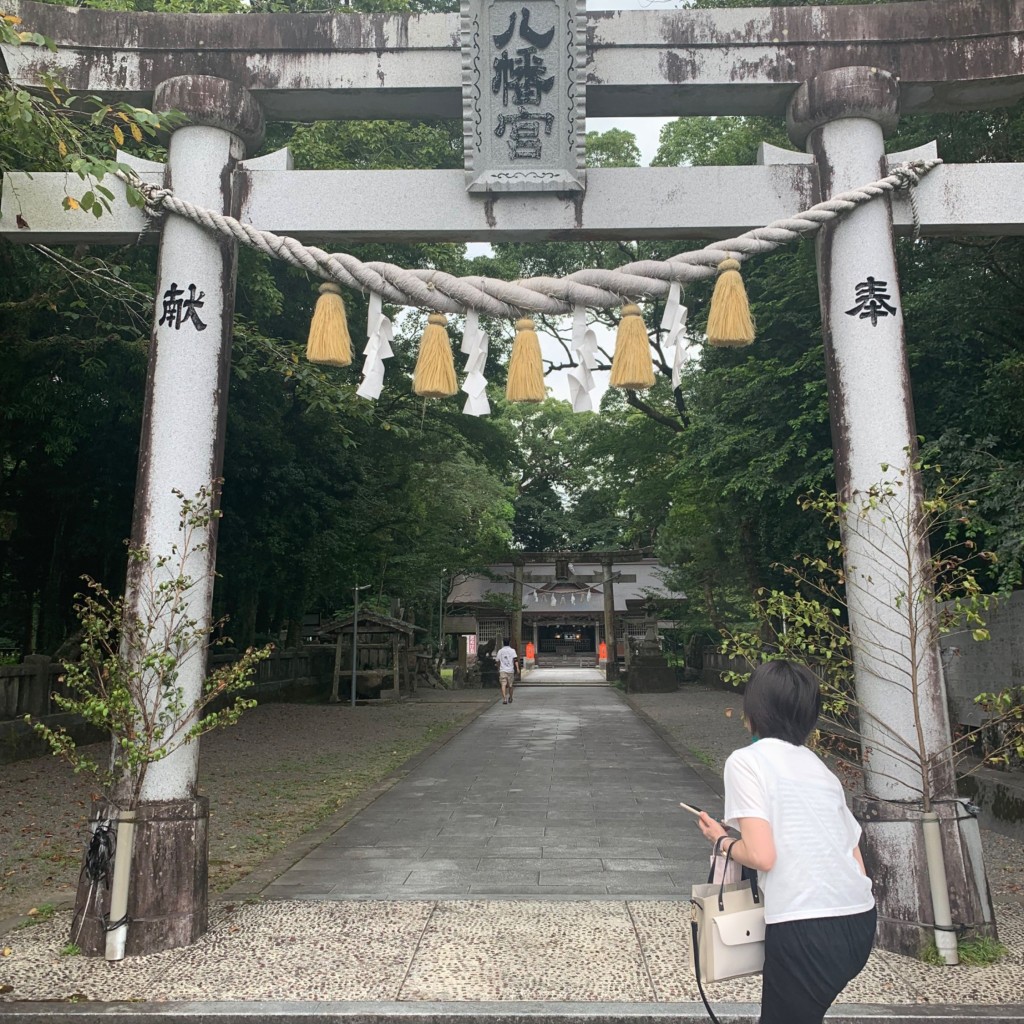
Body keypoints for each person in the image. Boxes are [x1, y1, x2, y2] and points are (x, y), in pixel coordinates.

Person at [694, 660, 876, 1024]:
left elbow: (762, 856)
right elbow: (854, 855)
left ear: (754, 709)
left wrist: (722, 840)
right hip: (859, 919)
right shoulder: (819, 767)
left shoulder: (746, 762)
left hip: (804, 925)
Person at [495, 637, 519, 704]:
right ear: (509, 642)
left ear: (503, 642)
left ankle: (504, 699)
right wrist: (517, 668)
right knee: (510, 685)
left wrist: (498, 667)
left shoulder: (500, 651)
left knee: (503, 684)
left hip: (502, 670)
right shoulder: (512, 650)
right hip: (510, 670)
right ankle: (510, 697)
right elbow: (515, 660)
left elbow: (497, 660)